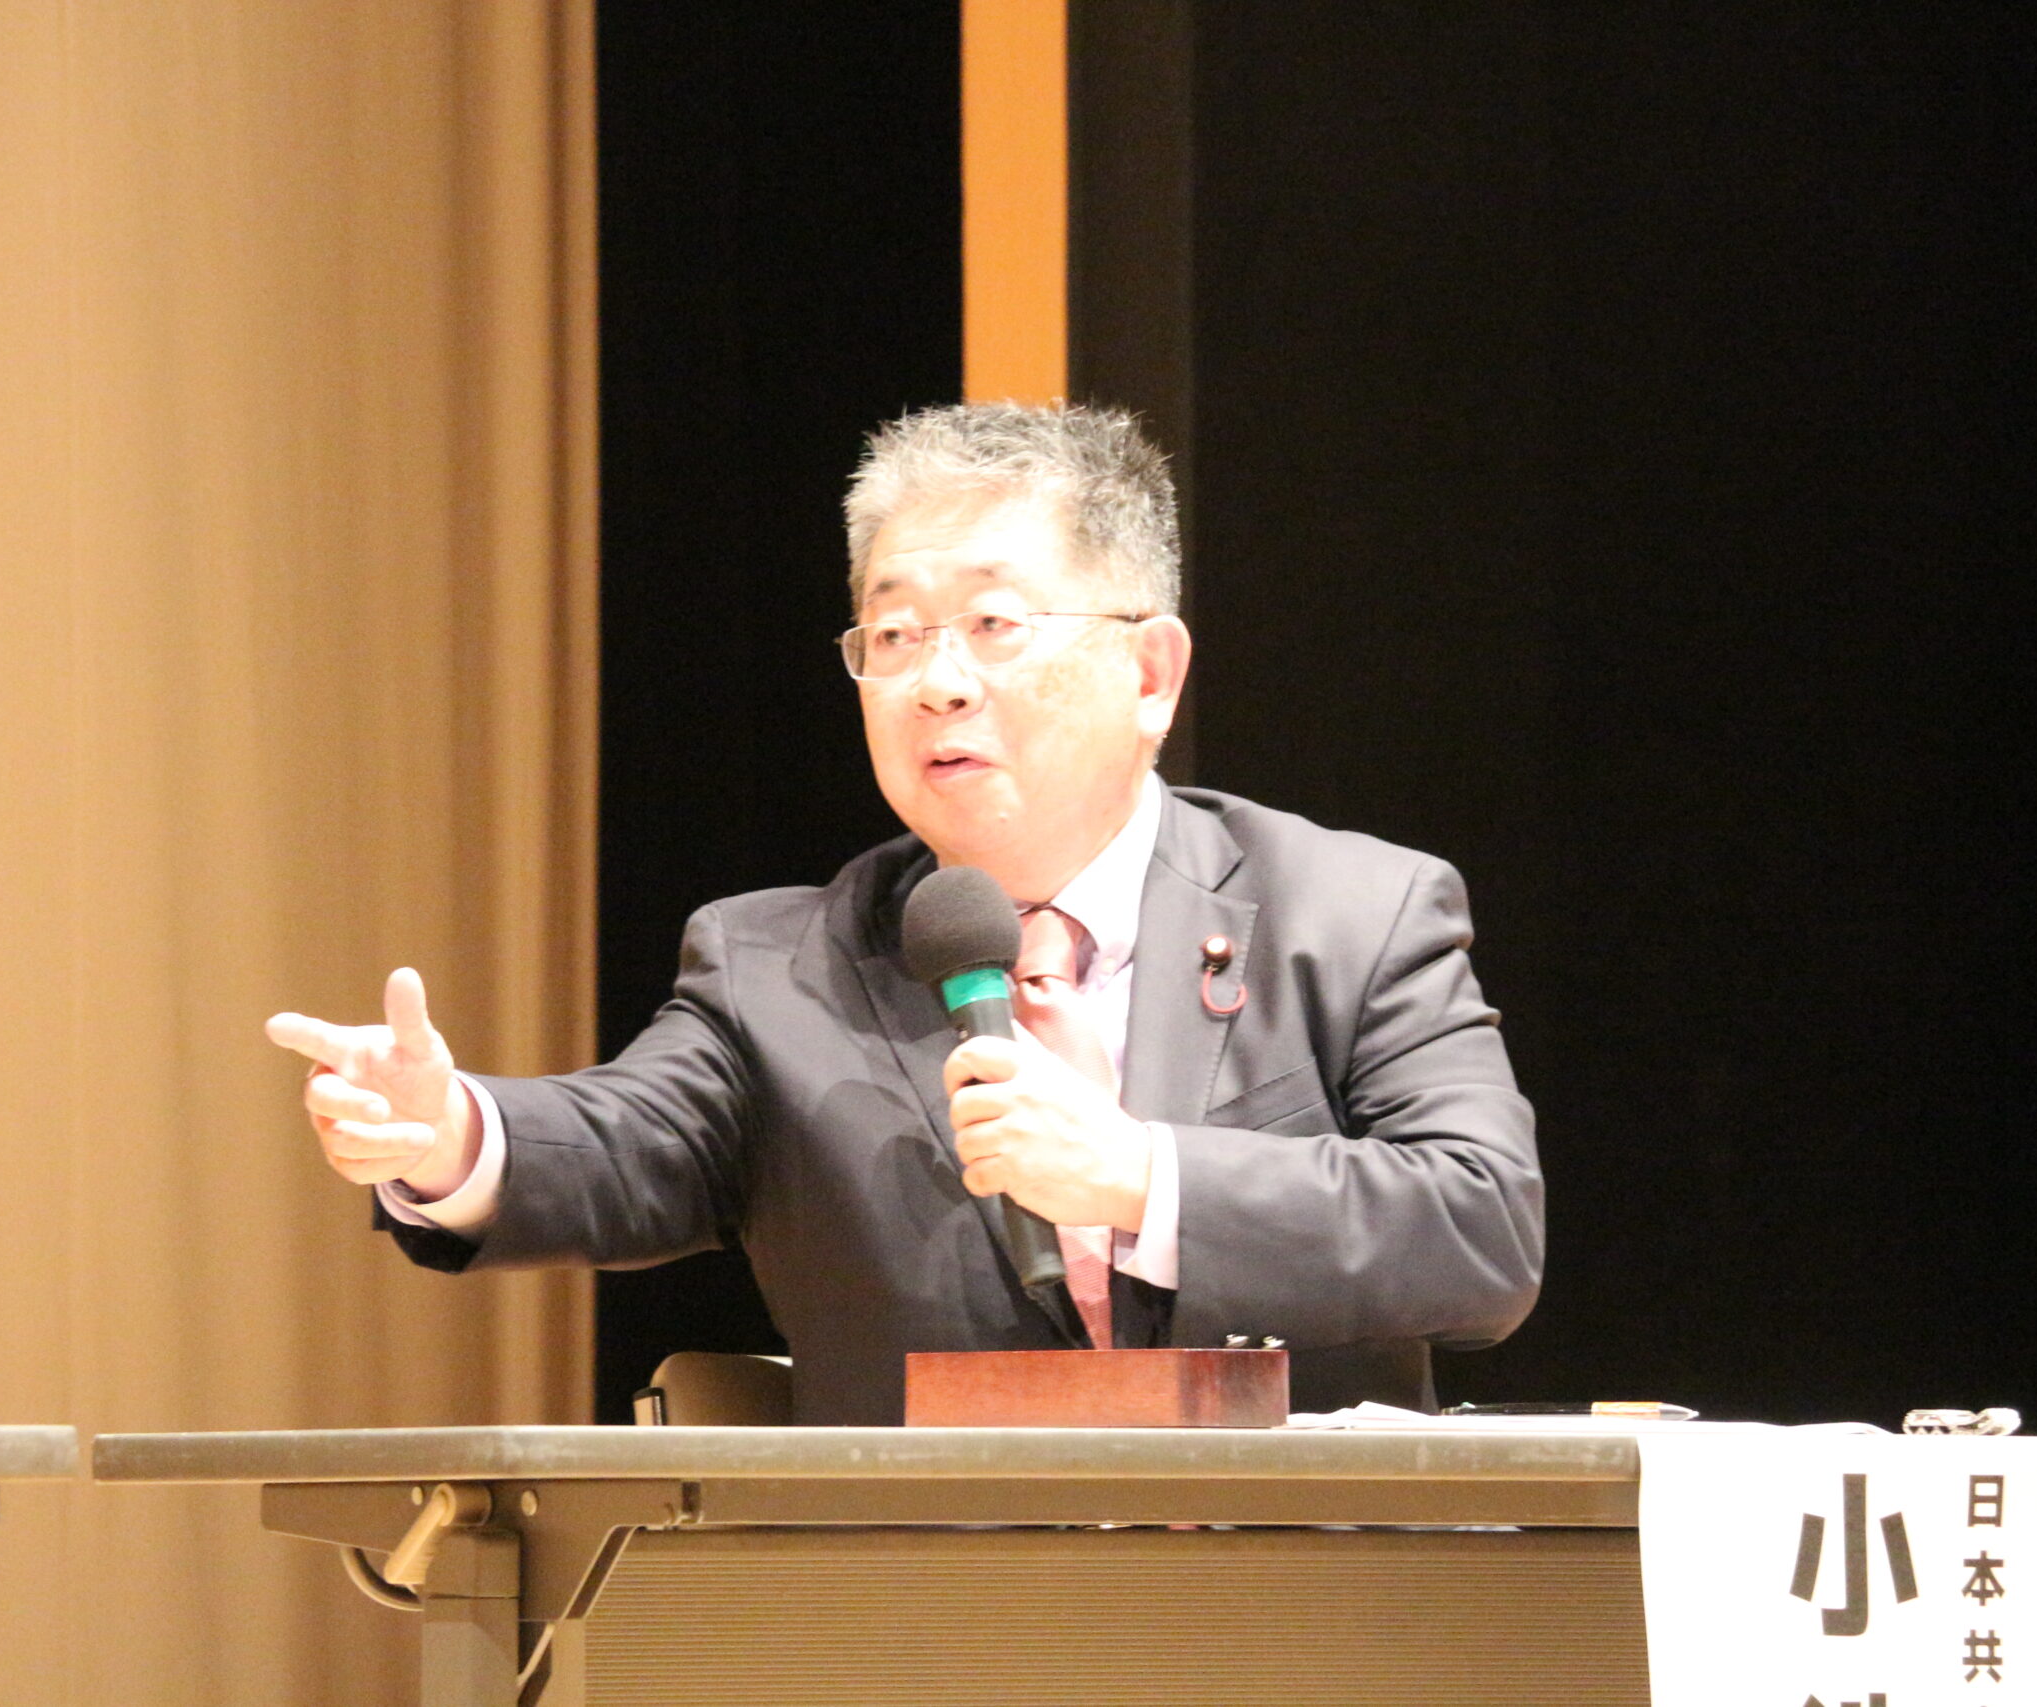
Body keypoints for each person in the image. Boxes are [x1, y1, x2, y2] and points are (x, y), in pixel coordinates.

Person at [267, 402, 1543, 1424]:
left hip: (1300, 1610)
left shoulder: (1350, 912)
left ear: (1149, 672)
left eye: (992, 625)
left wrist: (1139, 1177)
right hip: (931, 1617)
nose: (937, 682)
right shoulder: (778, 967)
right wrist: (450, 1132)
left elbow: (1480, 1229)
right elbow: (624, 1145)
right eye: (891, 636)